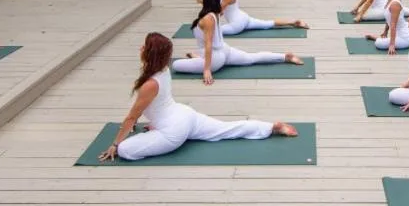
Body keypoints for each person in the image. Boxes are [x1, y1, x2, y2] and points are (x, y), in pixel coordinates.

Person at [100, 32, 300, 161]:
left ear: (150, 53)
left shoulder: (149, 83)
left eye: (144, 46)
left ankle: (270, 127)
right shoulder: (163, 69)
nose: (140, 48)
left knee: (126, 151)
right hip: (184, 115)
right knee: (226, 129)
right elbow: (157, 105)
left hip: (174, 132)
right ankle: (271, 127)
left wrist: (115, 145)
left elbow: (131, 118)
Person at [172, 0, 304, 84]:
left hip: (215, 59)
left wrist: (207, 70)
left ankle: (197, 58)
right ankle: (285, 56)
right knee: (251, 58)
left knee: (176, 65)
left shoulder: (207, 18)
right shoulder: (214, 12)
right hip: (224, 50)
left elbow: (208, 44)